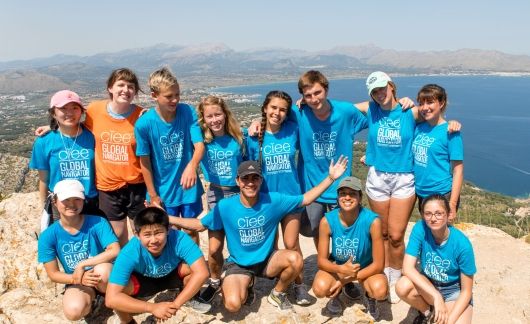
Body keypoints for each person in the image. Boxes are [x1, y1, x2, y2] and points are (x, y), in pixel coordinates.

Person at [171, 158, 348, 312]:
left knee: (295, 258)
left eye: (255, 178)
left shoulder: (273, 200)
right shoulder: (226, 206)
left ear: (261, 180)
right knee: (233, 305)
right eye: (245, 179)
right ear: (237, 181)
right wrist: (168, 218)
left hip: (267, 261)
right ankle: (248, 284)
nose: (250, 183)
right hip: (239, 264)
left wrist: (331, 178)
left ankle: (277, 293)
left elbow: (306, 199)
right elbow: (199, 225)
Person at [353, 71, 460, 303]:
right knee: (380, 233)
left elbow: (436, 120)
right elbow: (339, 109)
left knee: (396, 235)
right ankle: (380, 271)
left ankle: (396, 276)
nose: (380, 94)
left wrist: (453, 122)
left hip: (403, 178)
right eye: (374, 91)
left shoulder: (409, 111)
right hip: (378, 177)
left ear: (392, 86)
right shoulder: (371, 109)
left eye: (383, 88)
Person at [35, 69, 146, 246]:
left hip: (116, 191)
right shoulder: (95, 110)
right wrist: (52, 127)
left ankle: (137, 270)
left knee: (139, 232)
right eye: (121, 84)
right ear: (110, 87)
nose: (125, 89)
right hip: (86, 193)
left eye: (130, 86)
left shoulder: (141, 116)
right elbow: (44, 178)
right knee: (111, 235)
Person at [246, 90, 313, 305]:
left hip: (291, 196)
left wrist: (297, 105)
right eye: (273, 107)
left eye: (282, 109)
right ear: (265, 108)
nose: (277, 112)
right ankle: (270, 278)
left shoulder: (292, 130)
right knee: (270, 243)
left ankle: (299, 285)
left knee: (292, 243)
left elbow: (301, 116)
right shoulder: (254, 137)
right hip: (265, 199)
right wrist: (257, 122)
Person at [134, 67, 205, 245]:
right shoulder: (144, 124)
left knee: (190, 232)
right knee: (168, 234)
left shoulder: (187, 112)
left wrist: (192, 166)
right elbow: (145, 162)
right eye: (169, 96)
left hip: (188, 188)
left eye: (177, 94)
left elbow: (199, 146)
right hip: (163, 191)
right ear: (154, 96)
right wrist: (153, 195)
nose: (175, 100)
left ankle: (192, 269)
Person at [105, 207, 210, 323]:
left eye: (159, 232)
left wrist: (174, 305)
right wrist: (152, 308)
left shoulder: (179, 238)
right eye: (147, 234)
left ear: (168, 229)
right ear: (137, 234)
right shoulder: (129, 251)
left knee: (196, 267)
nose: (154, 240)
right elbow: (110, 299)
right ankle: (128, 321)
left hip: (172, 274)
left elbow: (203, 273)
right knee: (116, 288)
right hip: (143, 282)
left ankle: (190, 297)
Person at [38, 179, 120, 321]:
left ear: (83, 201)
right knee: (73, 311)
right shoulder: (48, 236)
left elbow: (114, 250)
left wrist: (82, 264)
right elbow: (53, 274)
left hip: (102, 272)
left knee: (102, 272)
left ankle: (113, 297)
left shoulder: (98, 222)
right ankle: (95, 300)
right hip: (77, 280)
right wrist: (79, 278)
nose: (72, 204)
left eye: (77, 199)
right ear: (55, 202)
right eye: (66, 200)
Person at [311, 177, 387, 320]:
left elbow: (378, 264)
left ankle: (369, 297)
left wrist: (342, 281)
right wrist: (340, 270)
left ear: (360, 197)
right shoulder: (327, 221)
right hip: (339, 264)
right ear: (338, 197)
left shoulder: (372, 221)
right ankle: (336, 295)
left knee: (380, 290)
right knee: (320, 289)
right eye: (343, 193)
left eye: (352, 193)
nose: (347, 197)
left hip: (365, 266)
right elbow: (321, 261)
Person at [196, 95, 246, 303]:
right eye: (210, 116)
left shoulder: (238, 137)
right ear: (203, 119)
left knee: (239, 242)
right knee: (215, 246)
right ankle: (215, 280)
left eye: (218, 114)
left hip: (238, 192)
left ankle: (245, 279)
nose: (215, 119)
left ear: (225, 114)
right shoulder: (201, 138)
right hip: (215, 193)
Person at [395, 194, 475, 324]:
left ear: (448, 214)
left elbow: (466, 291)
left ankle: (439, 310)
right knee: (402, 286)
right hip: (430, 283)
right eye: (428, 214)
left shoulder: (462, 244)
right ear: (423, 215)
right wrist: (436, 296)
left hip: (453, 290)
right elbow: (407, 268)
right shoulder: (420, 229)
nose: (433, 218)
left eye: (439, 213)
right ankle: (427, 312)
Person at [30, 90, 101, 231]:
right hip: (61, 202)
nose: (70, 113)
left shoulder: (92, 135)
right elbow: (44, 179)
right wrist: (44, 207)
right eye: (63, 108)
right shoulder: (44, 142)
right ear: (53, 113)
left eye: (75, 108)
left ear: (81, 111)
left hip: (89, 200)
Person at [413, 84, 463, 220]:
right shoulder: (418, 128)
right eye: (421, 103)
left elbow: (458, 170)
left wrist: (452, 203)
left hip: (441, 194)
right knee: (429, 234)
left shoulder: (451, 132)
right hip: (421, 193)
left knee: (439, 236)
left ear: (441, 103)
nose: (425, 107)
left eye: (430, 102)